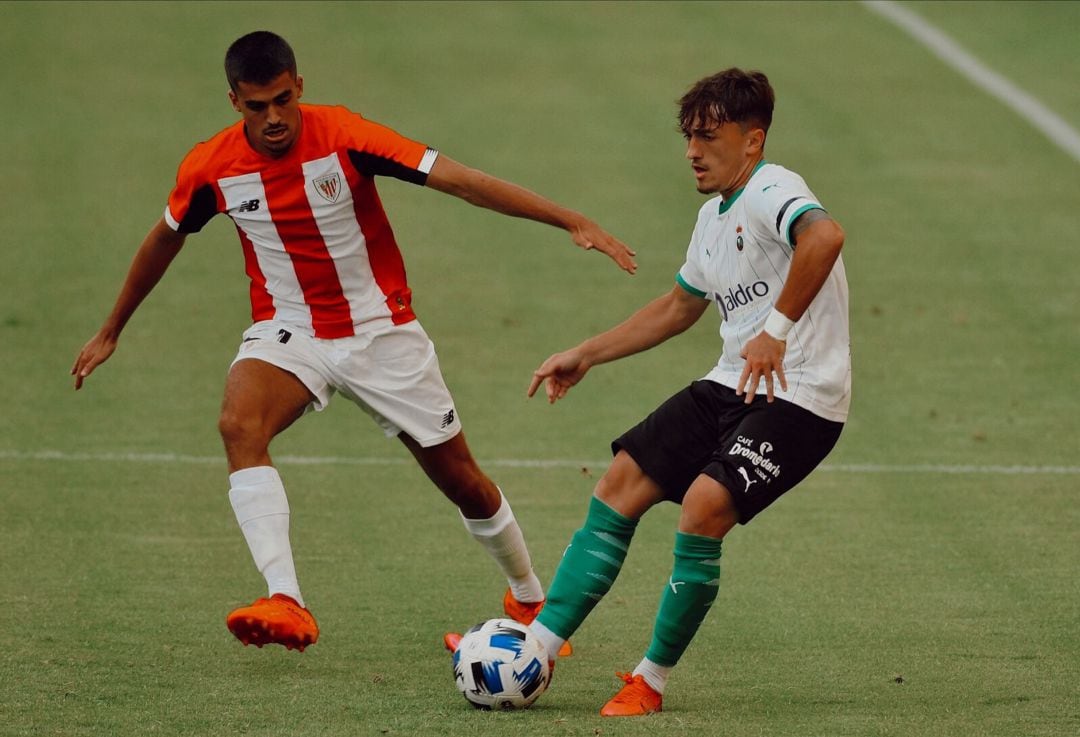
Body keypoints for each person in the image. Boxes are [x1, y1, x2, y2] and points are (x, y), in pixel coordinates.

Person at [71, 31, 636, 653]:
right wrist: (110, 329)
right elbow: (164, 237)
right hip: (290, 331)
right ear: (234, 100)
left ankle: (529, 599)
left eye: (284, 100)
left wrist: (571, 220)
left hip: (381, 333)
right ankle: (286, 599)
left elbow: (462, 181)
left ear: (300, 85)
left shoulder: (345, 136)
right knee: (239, 425)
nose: (275, 117)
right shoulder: (211, 168)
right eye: (257, 106)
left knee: (462, 482)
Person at [523, 68, 850, 715]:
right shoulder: (712, 217)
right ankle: (535, 647)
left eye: (708, 136)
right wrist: (585, 352)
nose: (693, 152)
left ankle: (650, 678)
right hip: (732, 382)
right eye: (688, 137)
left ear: (752, 140)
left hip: (802, 394)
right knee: (620, 480)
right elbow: (679, 306)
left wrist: (776, 332)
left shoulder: (771, 188)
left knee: (702, 507)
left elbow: (825, 236)